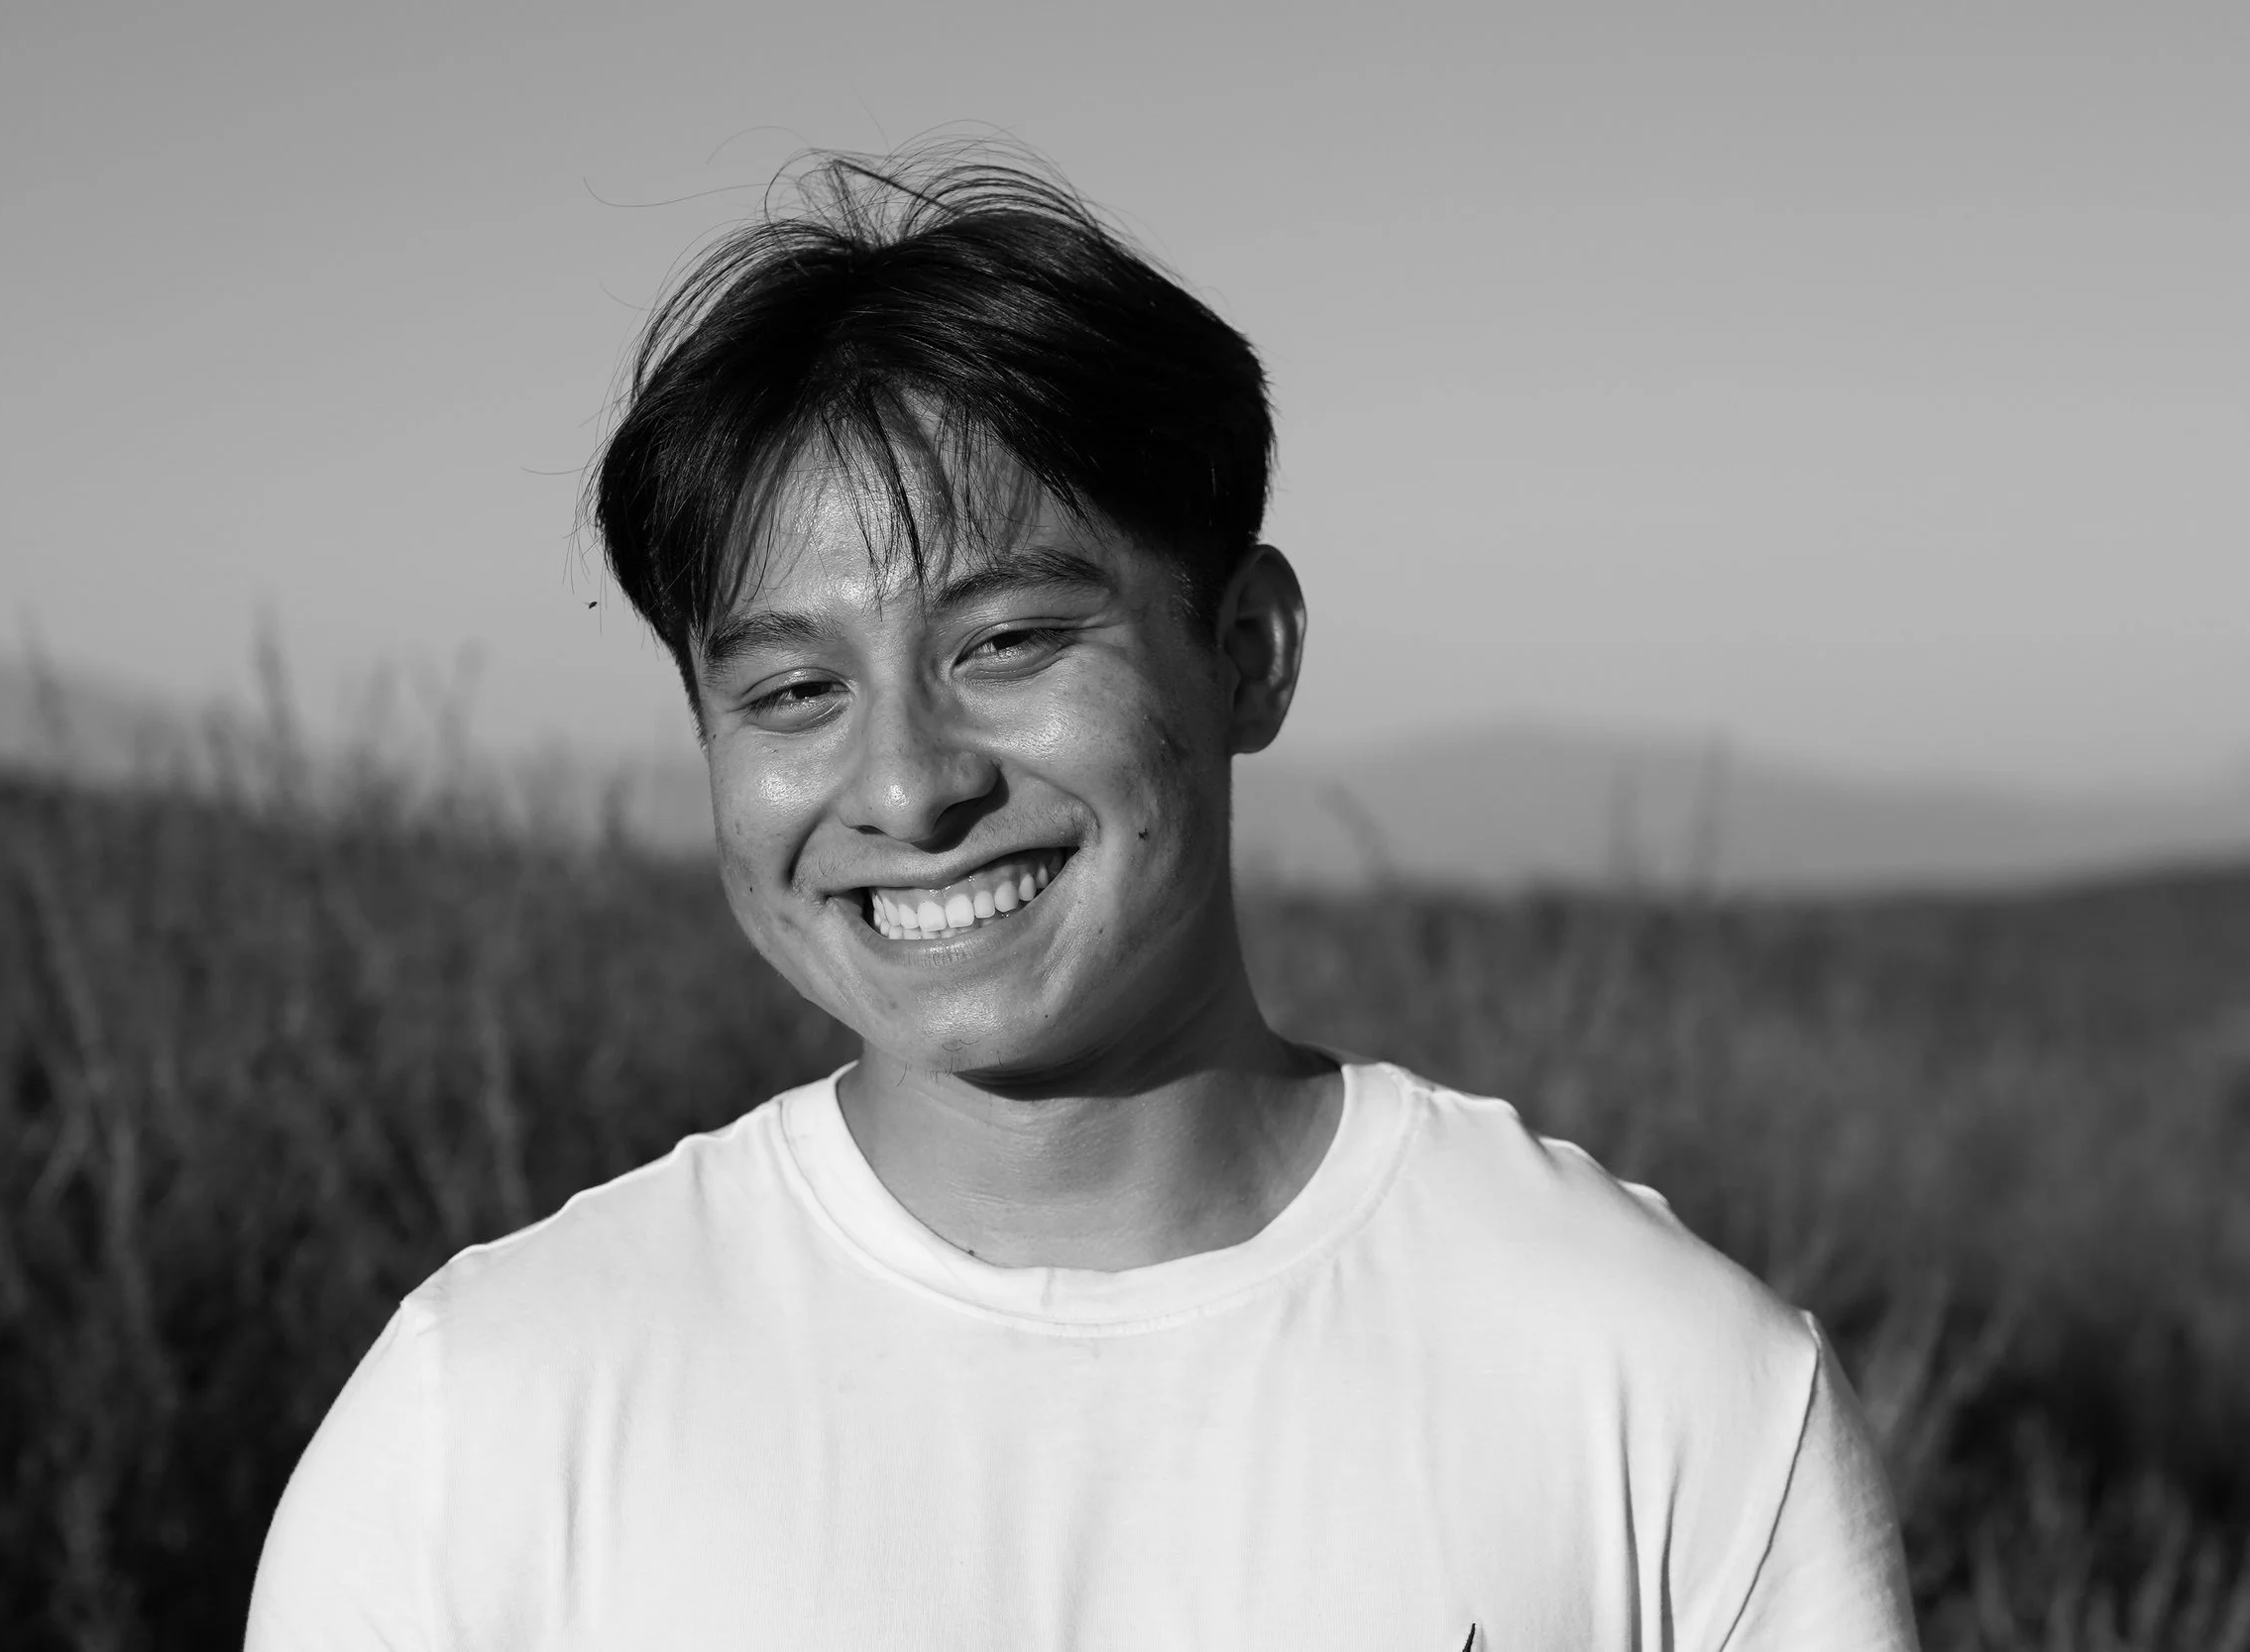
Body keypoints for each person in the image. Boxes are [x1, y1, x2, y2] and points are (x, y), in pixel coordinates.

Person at [245, 146, 1919, 1651]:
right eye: (791, 693)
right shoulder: (485, 1416)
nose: (907, 788)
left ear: (1245, 649)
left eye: (1008, 643)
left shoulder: (1668, 1390)